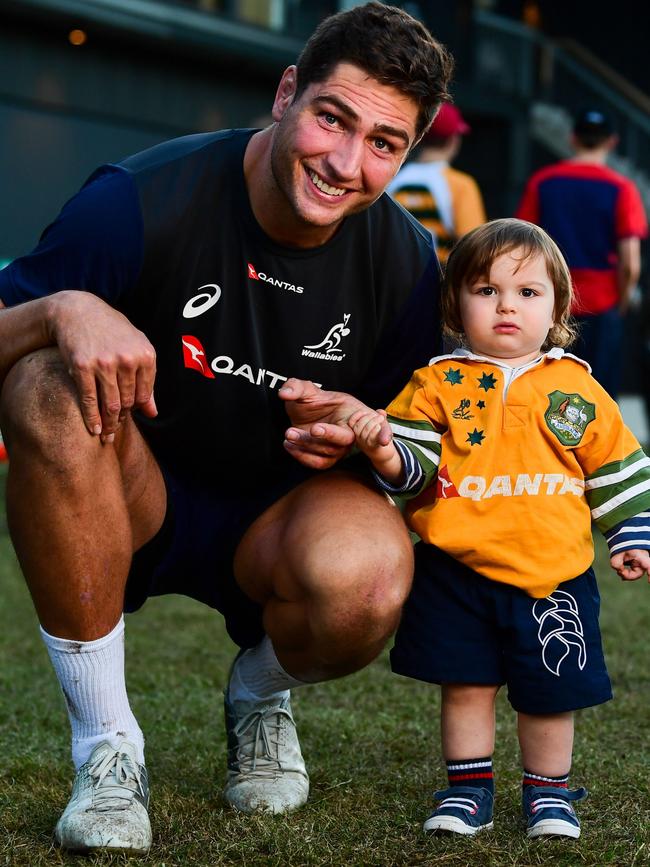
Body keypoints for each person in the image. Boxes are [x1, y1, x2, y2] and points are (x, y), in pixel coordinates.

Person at [0, 3, 453, 855]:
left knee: (370, 575)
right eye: (332, 118)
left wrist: (369, 433)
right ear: (287, 94)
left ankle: (257, 693)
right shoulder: (140, 199)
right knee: (44, 385)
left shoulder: (404, 262)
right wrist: (62, 311)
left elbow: (428, 458)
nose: (346, 164)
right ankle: (107, 749)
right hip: (132, 493)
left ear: (406, 153)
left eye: (384, 144)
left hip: (281, 521)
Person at [345, 218, 650, 839]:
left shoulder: (577, 389)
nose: (506, 305)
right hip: (456, 568)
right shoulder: (434, 384)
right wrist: (384, 452)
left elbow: (618, 466)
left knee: (550, 694)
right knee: (466, 684)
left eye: (527, 293)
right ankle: (467, 792)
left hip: (553, 575)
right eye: (485, 291)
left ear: (559, 306)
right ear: (455, 305)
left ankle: (549, 796)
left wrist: (631, 536)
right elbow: (413, 469)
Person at [516, 108, 648, 399]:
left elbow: (523, 244)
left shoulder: (543, 182)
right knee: (597, 393)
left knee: (546, 388)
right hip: (602, 302)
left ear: (573, 138)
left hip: (551, 300)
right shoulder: (622, 188)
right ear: (611, 142)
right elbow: (631, 264)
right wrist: (623, 300)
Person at [387, 102, 486, 264]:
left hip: (391, 274)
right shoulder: (461, 184)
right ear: (453, 140)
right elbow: (474, 248)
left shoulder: (391, 178)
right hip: (437, 278)